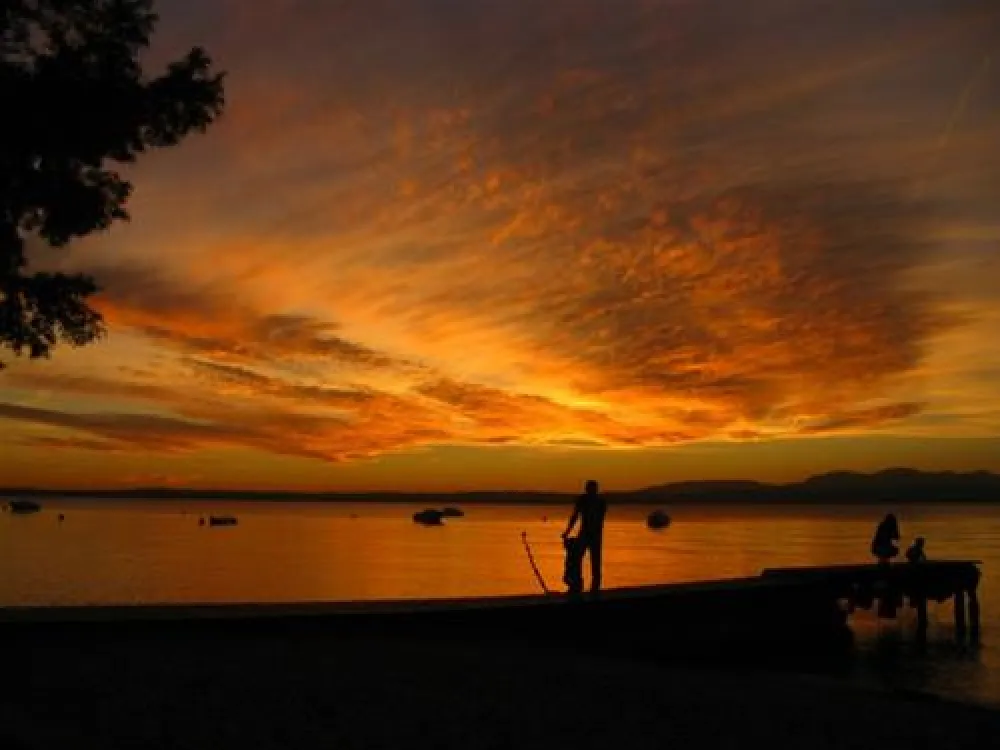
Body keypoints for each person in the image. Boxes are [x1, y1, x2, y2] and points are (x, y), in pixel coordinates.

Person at [562, 479, 607, 593]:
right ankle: (577, 584)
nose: (590, 491)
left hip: (594, 535)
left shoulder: (601, 502)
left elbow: (599, 520)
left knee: (595, 562)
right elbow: (575, 516)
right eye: (589, 489)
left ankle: (595, 588)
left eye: (592, 489)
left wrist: (568, 531)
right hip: (585, 533)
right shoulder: (583, 500)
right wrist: (567, 531)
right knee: (577, 559)